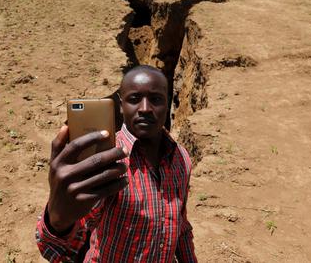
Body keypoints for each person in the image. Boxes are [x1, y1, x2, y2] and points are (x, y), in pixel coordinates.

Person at [36, 65, 197, 262]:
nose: (145, 109)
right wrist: (58, 221)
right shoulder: (108, 160)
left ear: (168, 101)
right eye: (134, 99)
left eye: (155, 99)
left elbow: (180, 225)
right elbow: (64, 244)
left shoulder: (182, 158)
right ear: (120, 105)